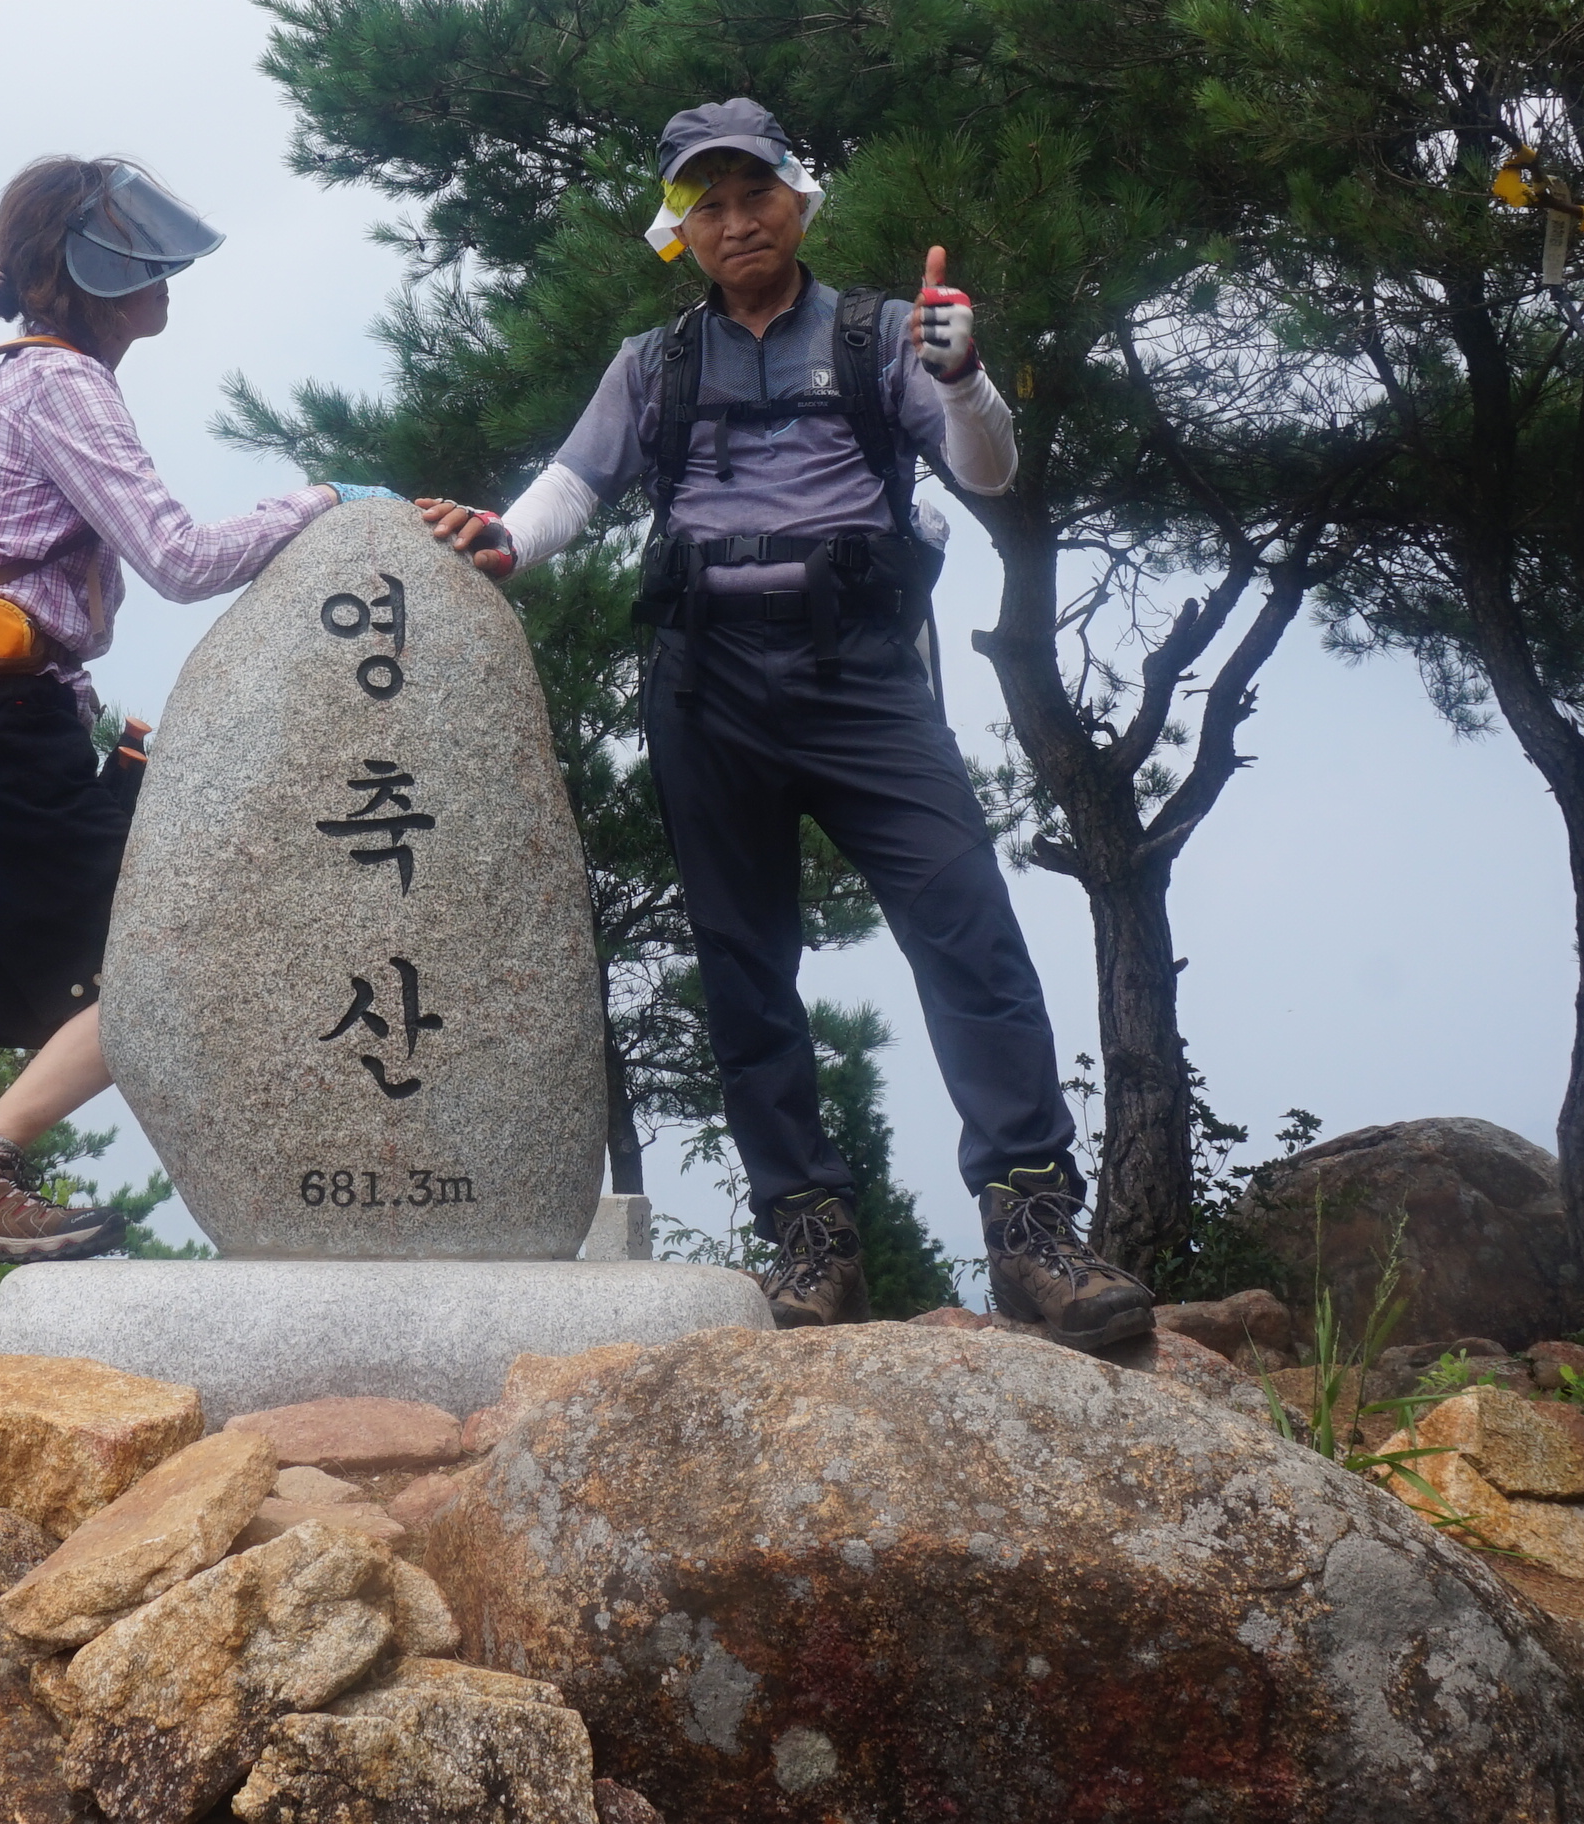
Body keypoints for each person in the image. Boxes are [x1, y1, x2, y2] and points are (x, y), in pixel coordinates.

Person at [416, 99, 1152, 1346]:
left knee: (967, 932)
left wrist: (962, 375)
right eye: (704, 204)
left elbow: (985, 468)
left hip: (861, 673)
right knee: (744, 969)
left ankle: (1032, 1226)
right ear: (680, 230)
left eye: (753, 192)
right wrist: (500, 539)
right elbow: (573, 484)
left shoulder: (875, 335)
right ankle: (811, 1240)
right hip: (704, 683)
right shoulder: (653, 362)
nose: (734, 220)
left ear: (797, 199)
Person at [0, 155, 389, 1363]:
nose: (162, 278)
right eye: (137, 257)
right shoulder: (62, 382)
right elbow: (180, 557)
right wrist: (325, 500)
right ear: (84, 272)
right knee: (168, 961)